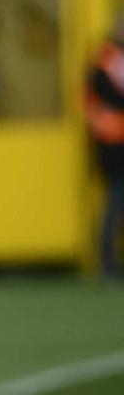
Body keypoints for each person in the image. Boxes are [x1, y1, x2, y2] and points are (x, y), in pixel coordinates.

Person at [84, 16, 124, 280]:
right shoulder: (106, 58)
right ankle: (107, 261)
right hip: (112, 144)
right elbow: (103, 94)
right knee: (116, 199)